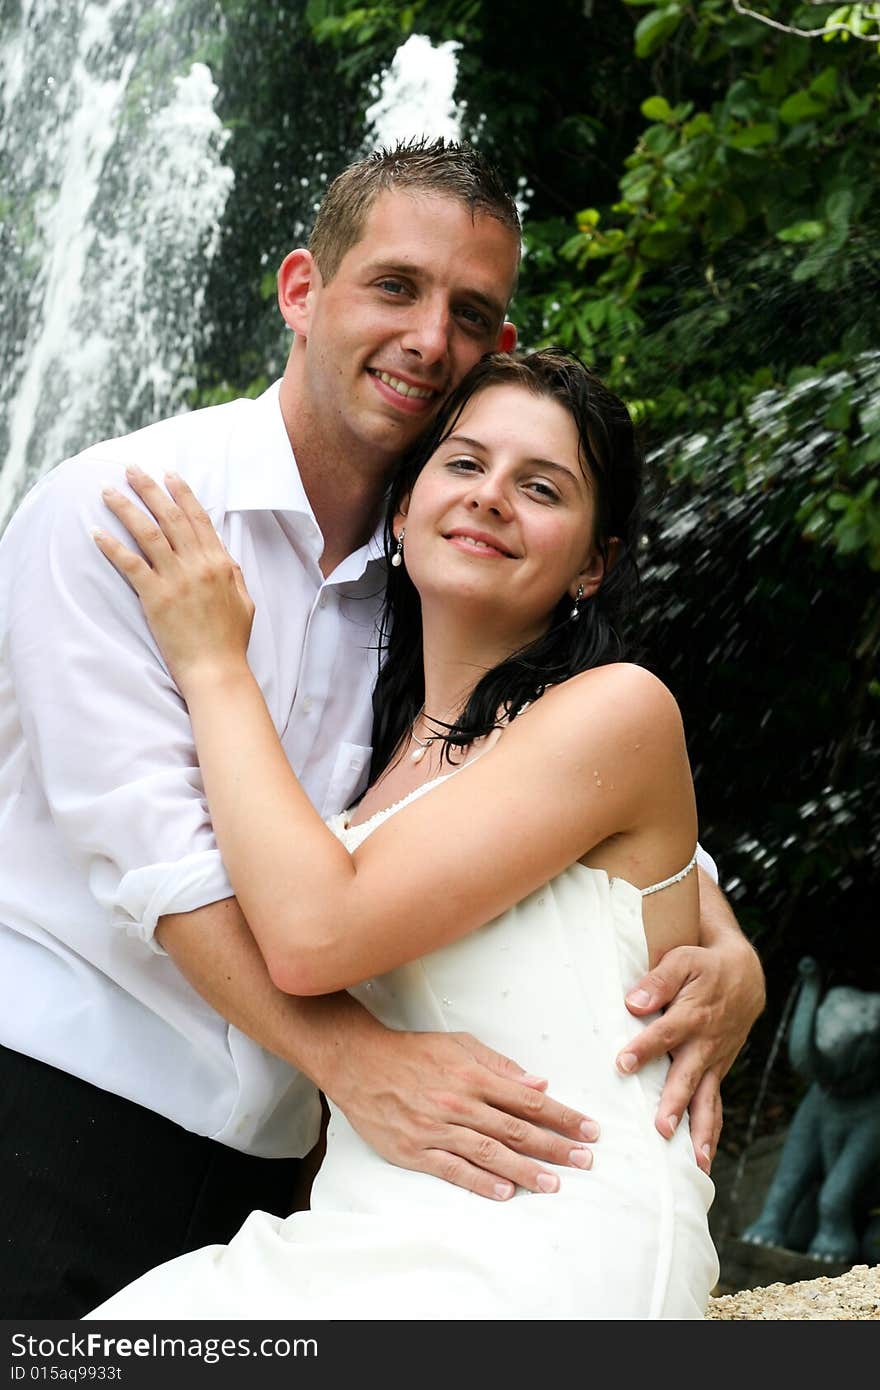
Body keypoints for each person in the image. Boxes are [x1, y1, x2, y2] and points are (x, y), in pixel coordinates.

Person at [0, 139, 761, 1318]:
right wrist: (357, 1064)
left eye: (470, 311)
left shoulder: (434, 609)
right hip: (69, 1103)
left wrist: (731, 953)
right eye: (395, 287)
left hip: (305, 1163)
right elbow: (166, 869)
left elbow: (568, 829)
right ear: (303, 290)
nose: (428, 337)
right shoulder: (131, 517)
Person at [87, 348, 720, 1319]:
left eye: (540, 485)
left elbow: (310, 935)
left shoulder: (617, 712)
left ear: (594, 562)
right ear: (403, 505)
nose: (492, 496)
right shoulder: (364, 779)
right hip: (369, 1224)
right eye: (463, 465)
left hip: (551, 1223)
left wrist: (213, 662)